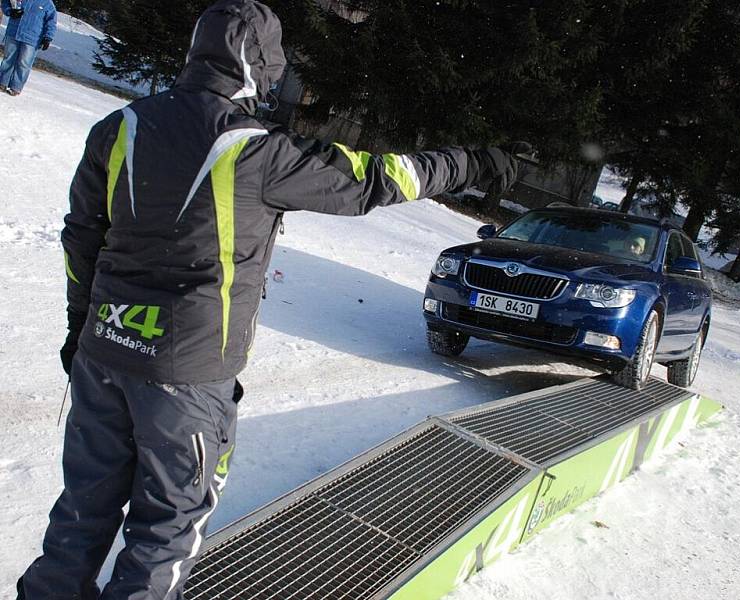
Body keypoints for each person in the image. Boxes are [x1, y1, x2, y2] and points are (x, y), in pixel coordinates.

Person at [16, 1, 526, 598]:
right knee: (165, 532)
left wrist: (80, 331)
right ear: (261, 66)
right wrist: (474, 163)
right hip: (189, 374)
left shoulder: (119, 129)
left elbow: (81, 240)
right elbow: (379, 178)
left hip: (103, 353)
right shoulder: (259, 153)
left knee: (81, 512)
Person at [0, 0, 56, 96]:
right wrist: (10, 11)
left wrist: (48, 37)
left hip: (32, 39)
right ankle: (2, 82)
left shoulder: (47, 3)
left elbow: (51, 22)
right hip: (13, 33)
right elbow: (5, 2)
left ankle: (16, 87)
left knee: (24, 63)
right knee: (8, 59)